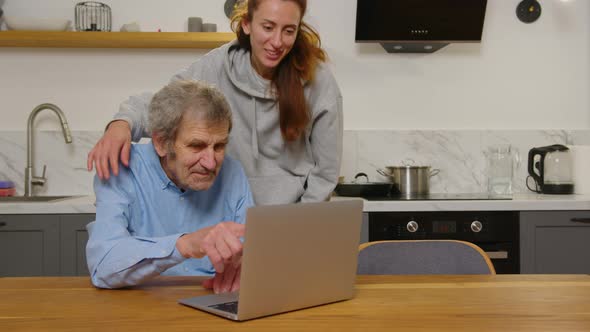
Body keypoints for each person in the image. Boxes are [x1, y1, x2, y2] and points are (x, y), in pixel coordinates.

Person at [87, 0, 343, 205]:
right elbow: (163, 104)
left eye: (289, 31)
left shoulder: (319, 81)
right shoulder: (217, 66)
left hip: (289, 224)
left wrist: (301, 225)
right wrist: (122, 123)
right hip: (224, 221)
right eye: (268, 27)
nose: (277, 42)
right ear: (246, 24)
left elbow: (326, 173)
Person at [86, 80, 254, 293]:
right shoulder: (123, 170)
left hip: (212, 299)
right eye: (196, 146)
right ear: (161, 143)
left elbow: (251, 255)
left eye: (219, 146)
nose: (211, 162)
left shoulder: (234, 172)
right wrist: (186, 245)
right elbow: (103, 264)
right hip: (141, 301)